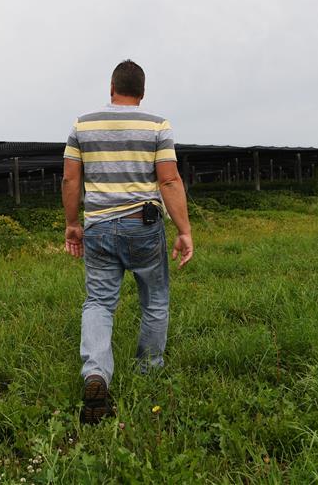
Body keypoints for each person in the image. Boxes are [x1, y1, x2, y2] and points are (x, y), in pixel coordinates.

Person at [61, 59, 194, 425]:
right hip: (143, 226)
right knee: (155, 300)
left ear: (111, 88)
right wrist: (184, 230)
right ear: (142, 93)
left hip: (99, 227)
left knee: (99, 303)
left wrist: (73, 224)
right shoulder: (157, 125)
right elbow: (169, 181)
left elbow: (71, 180)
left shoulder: (82, 124)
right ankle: (148, 373)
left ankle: (96, 375)